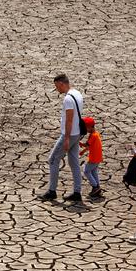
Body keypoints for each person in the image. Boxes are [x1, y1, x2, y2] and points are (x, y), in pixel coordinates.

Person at [38, 74, 84, 203]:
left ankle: (52, 191)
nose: (57, 89)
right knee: (74, 162)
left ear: (62, 84)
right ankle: (77, 192)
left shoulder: (68, 99)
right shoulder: (77, 93)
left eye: (57, 86)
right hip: (77, 132)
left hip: (69, 134)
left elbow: (69, 120)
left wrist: (67, 138)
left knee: (53, 159)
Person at [80, 116, 103, 199]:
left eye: (85, 128)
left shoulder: (92, 136)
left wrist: (78, 142)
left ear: (89, 127)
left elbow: (87, 145)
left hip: (93, 158)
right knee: (93, 172)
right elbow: (90, 146)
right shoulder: (96, 134)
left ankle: (95, 186)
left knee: (86, 171)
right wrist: (83, 151)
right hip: (98, 158)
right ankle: (97, 187)